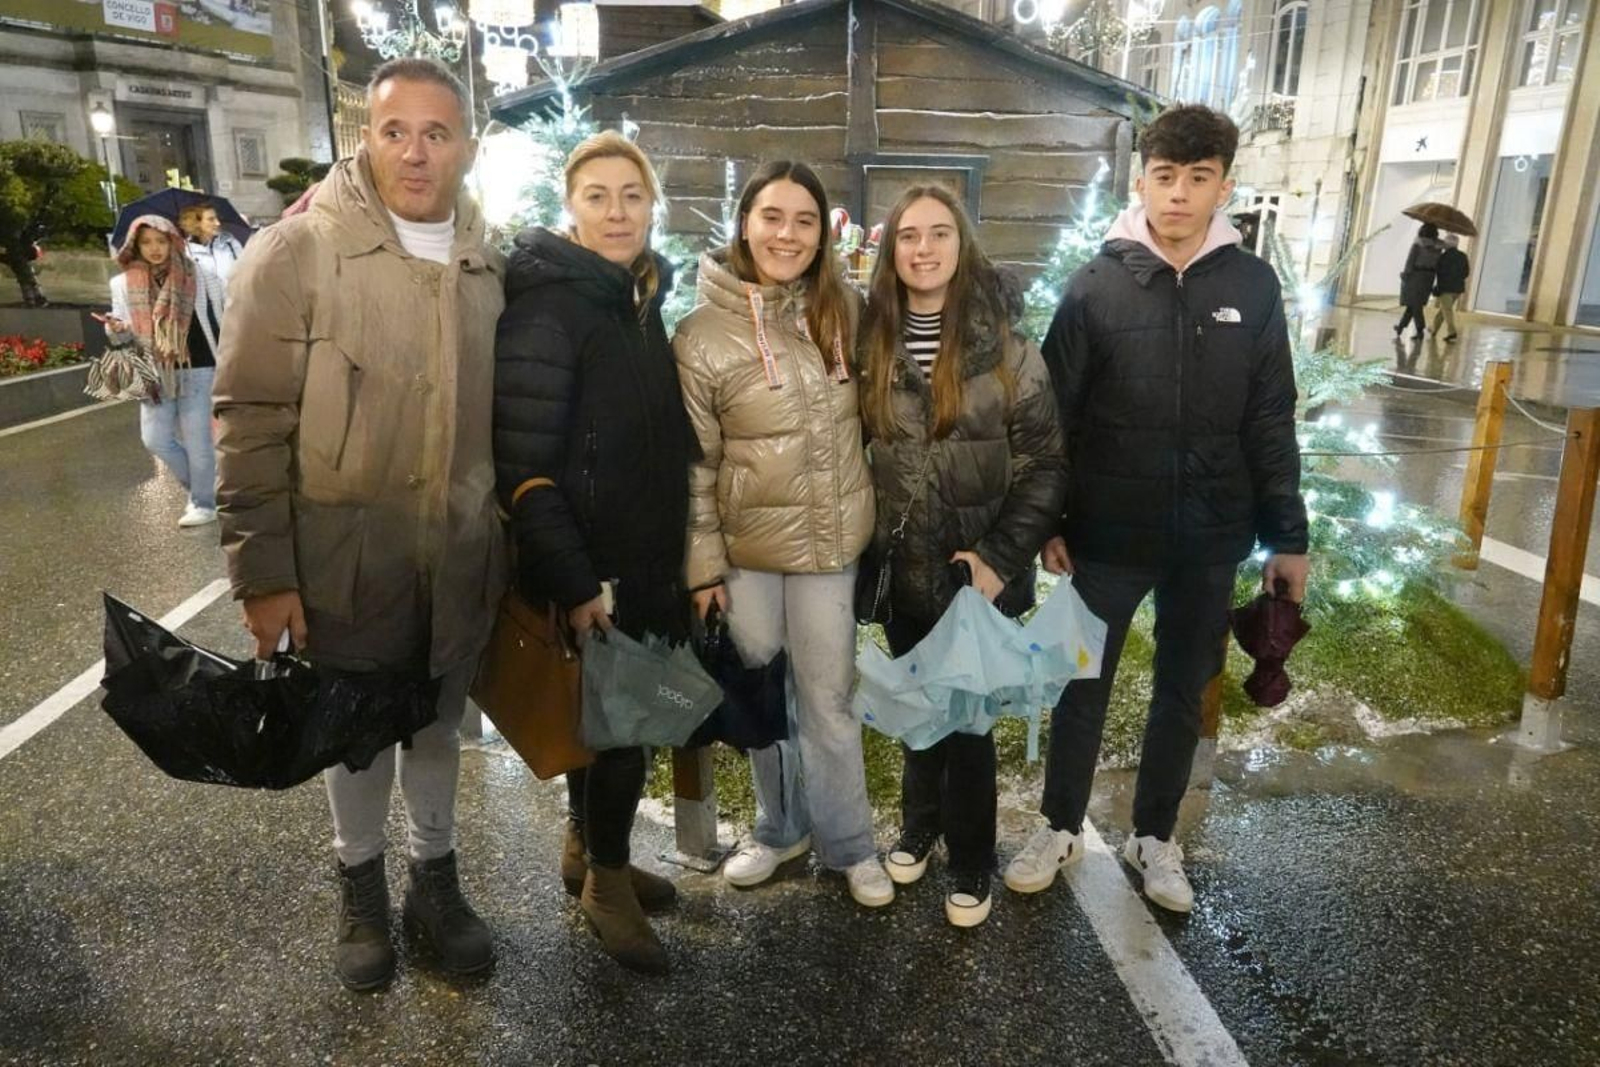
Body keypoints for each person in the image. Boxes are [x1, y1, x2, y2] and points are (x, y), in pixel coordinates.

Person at [212, 57, 507, 991]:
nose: (416, 153)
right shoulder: (298, 252)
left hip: (456, 552)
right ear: (364, 136)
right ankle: (360, 886)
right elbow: (249, 415)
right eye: (395, 131)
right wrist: (263, 575)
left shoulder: (484, 259)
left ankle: (436, 880)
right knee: (356, 732)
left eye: (437, 133)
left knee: (435, 729)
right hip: (345, 556)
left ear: (466, 145)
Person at [1010, 104, 1309, 914]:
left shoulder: (1252, 286)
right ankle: (1058, 823)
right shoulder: (1096, 284)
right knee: (1082, 682)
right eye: (1166, 176)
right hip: (1106, 534)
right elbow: (1052, 418)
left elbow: (1270, 415)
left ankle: (1155, 835)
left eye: (1198, 178)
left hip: (1211, 537)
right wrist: (1051, 524)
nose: (1179, 195)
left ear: (1224, 187)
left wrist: (1288, 536)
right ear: (1140, 180)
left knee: (1185, 683)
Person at [492, 131, 691, 975]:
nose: (617, 212)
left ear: (652, 206)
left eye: (632, 196)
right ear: (571, 206)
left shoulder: (634, 300)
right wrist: (574, 580)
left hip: (642, 554)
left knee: (609, 718)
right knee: (623, 729)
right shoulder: (550, 307)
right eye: (598, 196)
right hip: (591, 563)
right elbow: (524, 464)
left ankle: (584, 849)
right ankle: (607, 885)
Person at [674, 161, 894, 908]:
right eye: (773, 216)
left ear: (821, 232)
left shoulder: (846, 312)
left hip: (831, 545)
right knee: (763, 696)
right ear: (745, 222)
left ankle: (850, 843)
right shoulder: (701, 336)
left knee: (828, 698)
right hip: (747, 554)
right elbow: (696, 464)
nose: (787, 234)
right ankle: (778, 827)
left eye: (805, 220)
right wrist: (703, 565)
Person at [857, 185, 1065, 927]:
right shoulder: (868, 338)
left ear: (961, 243)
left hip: (977, 571)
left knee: (971, 721)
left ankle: (973, 855)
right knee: (921, 705)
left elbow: (1044, 463)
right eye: (908, 235)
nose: (923, 247)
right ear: (892, 249)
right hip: (901, 565)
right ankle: (920, 823)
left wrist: (1000, 557)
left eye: (938, 233)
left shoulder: (1004, 347)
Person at [104, 213, 225, 528]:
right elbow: (123, 331)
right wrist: (116, 328)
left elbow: (224, 314)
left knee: (199, 442)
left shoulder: (199, 273)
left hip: (198, 366)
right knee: (155, 439)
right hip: (153, 371)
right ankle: (207, 487)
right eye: (146, 242)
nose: (155, 248)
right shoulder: (122, 282)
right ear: (135, 244)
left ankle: (203, 503)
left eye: (161, 241)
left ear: (173, 240)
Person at [1395, 222, 1445, 341]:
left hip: (1415, 276)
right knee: (1414, 304)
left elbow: (1410, 260)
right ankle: (1401, 326)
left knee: (1415, 305)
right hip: (1429, 278)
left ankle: (1420, 329)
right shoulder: (1438, 248)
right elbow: (1439, 265)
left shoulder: (1417, 245)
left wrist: (1405, 274)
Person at [179, 202, 246, 287]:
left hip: (233, 298)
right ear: (196, 222)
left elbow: (245, 272)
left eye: (217, 218)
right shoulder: (186, 251)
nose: (218, 223)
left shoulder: (231, 244)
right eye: (211, 219)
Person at [1432, 235, 1469, 343]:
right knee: (1444, 309)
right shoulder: (1463, 256)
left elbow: (1438, 272)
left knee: (1447, 310)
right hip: (1457, 289)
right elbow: (1466, 272)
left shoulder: (1443, 257)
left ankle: (1451, 331)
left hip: (1445, 288)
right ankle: (1434, 329)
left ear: (1447, 244)